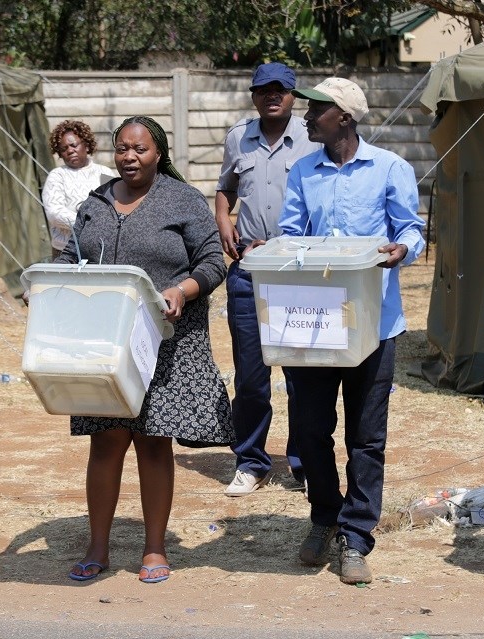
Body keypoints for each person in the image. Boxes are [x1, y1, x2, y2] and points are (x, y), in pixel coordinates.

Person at [53, 115, 231, 584]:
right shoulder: (95, 202)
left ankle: (154, 549)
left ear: (159, 154)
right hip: (103, 341)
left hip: (164, 340)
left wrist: (183, 290)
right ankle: (97, 546)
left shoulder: (183, 200)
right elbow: (71, 254)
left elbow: (214, 261)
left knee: (153, 442)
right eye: (122, 149)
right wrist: (52, 282)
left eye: (141, 149)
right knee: (105, 441)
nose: (130, 157)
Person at [280, 77, 425, 585]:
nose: (305, 116)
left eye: (315, 109)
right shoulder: (303, 171)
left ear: (342, 116)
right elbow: (292, 235)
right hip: (315, 324)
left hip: (375, 325)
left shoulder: (390, 168)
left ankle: (356, 536)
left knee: (366, 438)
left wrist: (402, 251)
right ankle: (324, 516)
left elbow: (411, 229)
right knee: (311, 431)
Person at [215, 62, 321, 497]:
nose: (271, 96)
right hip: (247, 268)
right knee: (251, 376)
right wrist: (222, 219)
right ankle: (251, 460)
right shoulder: (238, 137)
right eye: (263, 90)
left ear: (293, 95)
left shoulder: (313, 135)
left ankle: (303, 461)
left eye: (280, 90)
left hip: (298, 270)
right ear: (253, 96)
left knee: (302, 375)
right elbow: (226, 188)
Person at [41, 119, 117, 257]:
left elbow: (115, 208)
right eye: (64, 149)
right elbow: (54, 213)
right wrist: (86, 222)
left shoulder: (105, 173)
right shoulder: (57, 176)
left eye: (73, 145)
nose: (70, 150)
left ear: (86, 145)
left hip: (98, 250)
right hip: (65, 251)